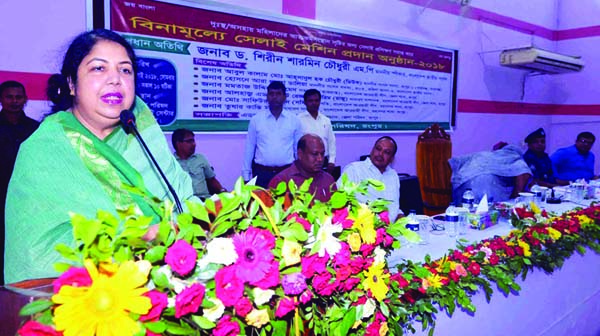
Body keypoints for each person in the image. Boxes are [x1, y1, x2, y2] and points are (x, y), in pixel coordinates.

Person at [4, 29, 195, 284]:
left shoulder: (140, 128)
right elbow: (36, 252)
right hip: (91, 302)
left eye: (125, 70)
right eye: (98, 69)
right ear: (71, 83)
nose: (116, 79)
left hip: (171, 283)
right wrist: (133, 239)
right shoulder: (43, 149)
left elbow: (182, 199)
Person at [0, 80, 39, 285]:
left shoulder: (36, 128)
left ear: (25, 100)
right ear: (1, 99)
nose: (14, 101)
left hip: (28, 200)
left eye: (18, 97)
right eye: (9, 97)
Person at [242, 81, 302, 188]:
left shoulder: (294, 120)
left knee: (287, 204)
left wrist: (301, 173)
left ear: (284, 97)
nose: (274, 97)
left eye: (278, 94)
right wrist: (246, 177)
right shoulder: (256, 120)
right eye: (271, 94)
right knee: (262, 203)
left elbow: (298, 150)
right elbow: (249, 149)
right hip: (262, 173)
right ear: (267, 97)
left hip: (287, 172)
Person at [339, 136, 401, 220]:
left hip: (392, 230)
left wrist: (403, 218)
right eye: (378, 149)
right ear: (372, 150)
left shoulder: (393, 175)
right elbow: (339, 203)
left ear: (392, 159)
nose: (380, 154)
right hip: (363, 229)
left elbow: (394, 207)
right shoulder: (354, 170)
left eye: (386, 152)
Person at [449, 144, 532, 203]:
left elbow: (453, 162)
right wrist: (513, 201)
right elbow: (523, 173)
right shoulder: (515, 157)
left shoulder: (485, 154)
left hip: (463, 189)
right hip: (487, 189)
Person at [268, 134, 336, 202]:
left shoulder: (328, 180)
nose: (320, 159)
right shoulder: (282, 180)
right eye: (315, 154)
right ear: (300, 154)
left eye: (322, 154)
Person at [173, 128, 226, 200]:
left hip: (205, 199)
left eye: (193, 141)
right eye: (189, 141)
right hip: (185, 201)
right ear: (178, 144)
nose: (194, 144)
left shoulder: (200, 158)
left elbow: (212, 180)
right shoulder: (172, 162)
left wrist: (222, 191)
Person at [297, 89, 336, 173]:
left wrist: (331, 161)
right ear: (305, 102)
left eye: (316, 100)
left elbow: (331, 142)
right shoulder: (298, 120)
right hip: (306, 162)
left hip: (323, 162)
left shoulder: (326, 120)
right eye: (310, 101)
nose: (314, 103)